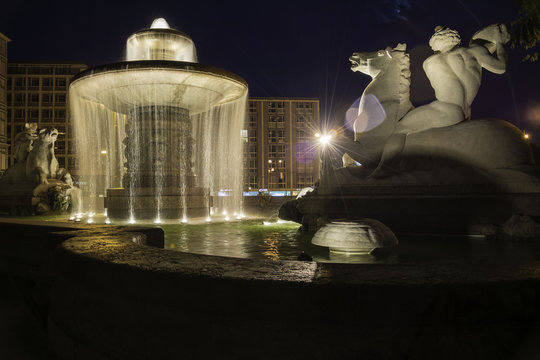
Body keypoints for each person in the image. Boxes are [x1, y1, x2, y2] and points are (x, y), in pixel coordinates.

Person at [398, 24, 510, 133]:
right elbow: (501, 67)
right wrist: (499, 42)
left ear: (436, 44)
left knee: (399, 127)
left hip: (446, 110)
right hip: (466, 111)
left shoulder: (430, 61)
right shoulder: (476, 51)